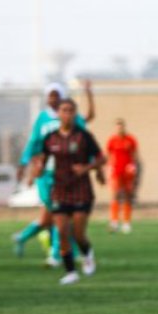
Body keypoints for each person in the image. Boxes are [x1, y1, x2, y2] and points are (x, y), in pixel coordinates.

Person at [13, 81, 101, 265]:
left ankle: (24, 238)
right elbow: (34, 144)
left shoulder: (72, 119)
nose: (52, 98)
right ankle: (56, 254)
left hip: (68, 176)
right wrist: (26, 168)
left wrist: (95, 168)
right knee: (57, 213)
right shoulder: (42, 119)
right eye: (50, 95)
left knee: (50, 217)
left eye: (56, 95)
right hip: (47, 176)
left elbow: (89, 143)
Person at [29, 99, 105, 285]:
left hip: (81, 190)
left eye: (71, 111)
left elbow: (102, 158)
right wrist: (36, 170)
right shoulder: (51, 138)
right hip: (60, 189)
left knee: (78, 234)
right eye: (64, 110)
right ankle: (71, 272)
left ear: (75, 113)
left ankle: (87, 254)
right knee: (62, 231)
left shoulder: (83, 136)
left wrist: (87, 168)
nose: (67, 114)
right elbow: (42, 160)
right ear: (58, 114)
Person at [106, 118, 139, 234]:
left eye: (121, 126)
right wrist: (109, 168)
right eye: (117, 126)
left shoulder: (130, 140)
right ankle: (114, 222)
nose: (119, 128)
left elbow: (135, 156)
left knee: (127, 196)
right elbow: (109, 156)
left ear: (124, 127)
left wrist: (134, 167)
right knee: (115, 196)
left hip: (127, 172)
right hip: (116, 172)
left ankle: (126, 223)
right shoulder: (112, 141)